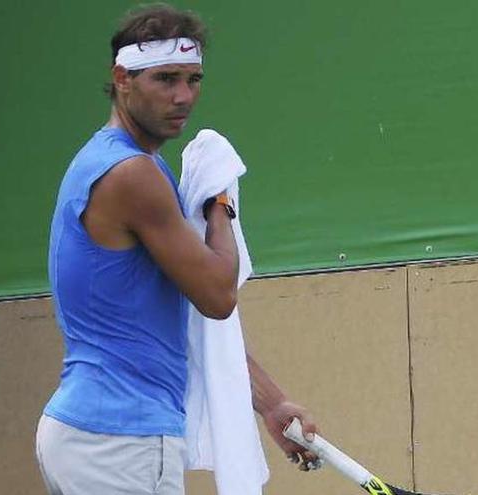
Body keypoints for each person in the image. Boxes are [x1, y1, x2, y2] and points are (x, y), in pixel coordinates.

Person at [35, 4, 318, 494]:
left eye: (193, 79)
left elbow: (182, 322)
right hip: (119, 444)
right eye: (165, 79)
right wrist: (221, 201)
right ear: (122, 78)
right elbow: (216, 295)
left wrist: (271, 404)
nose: (183, 96)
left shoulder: (127, 166)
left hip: (95, 436)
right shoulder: (133, 175)